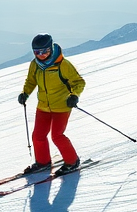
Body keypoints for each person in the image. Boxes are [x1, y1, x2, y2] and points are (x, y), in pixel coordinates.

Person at [16, 33, 85, 175]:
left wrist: (74, 96)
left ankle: (72, 162)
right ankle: (43, 162)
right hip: (43, 106)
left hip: (62, 106)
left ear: (51, 49)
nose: (40, 55)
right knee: (38, 136)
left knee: (57, 135)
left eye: (44, 51)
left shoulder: (63, 65)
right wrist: (25, 93)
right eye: (37, 52)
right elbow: (31, 81)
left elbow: (79, 82)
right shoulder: (35, 65)